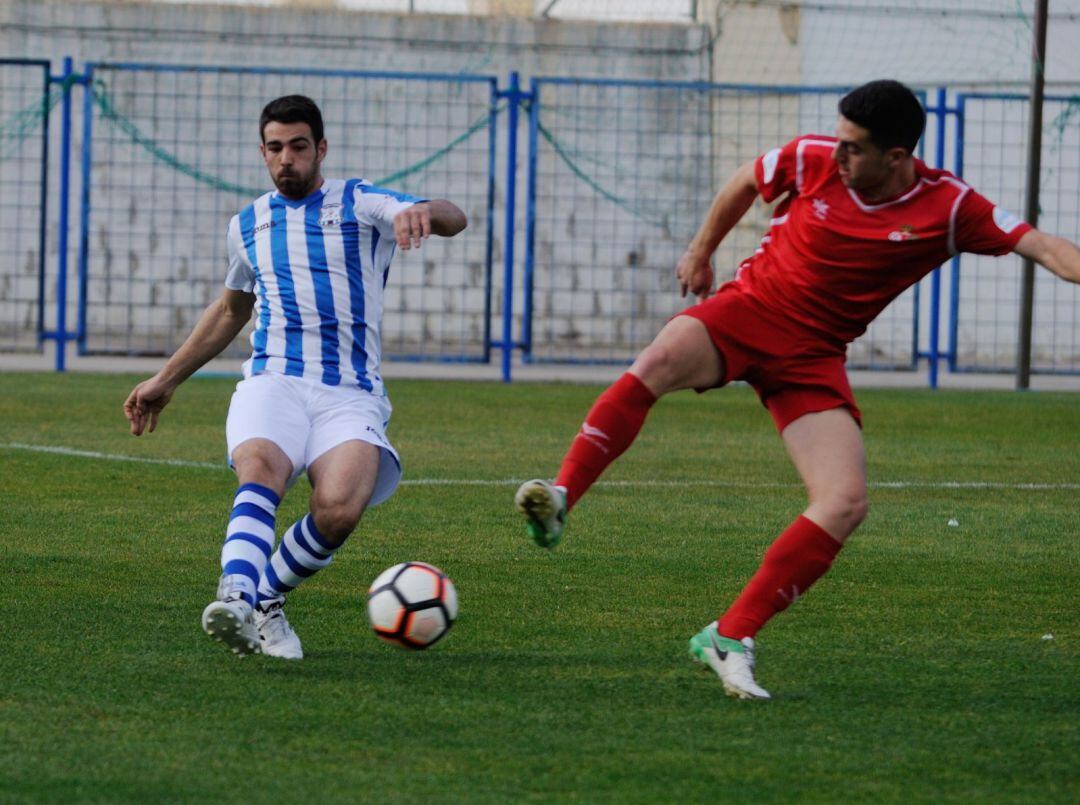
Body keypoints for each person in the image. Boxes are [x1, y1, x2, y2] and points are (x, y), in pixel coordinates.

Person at [515, 79, 1080, 699]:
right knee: (655, 362)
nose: (837, 156)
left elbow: (1044, 246)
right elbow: (742, 180)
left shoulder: (949, 207)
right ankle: (564, 493)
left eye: (854, 149)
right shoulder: (814, 157)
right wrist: (702, 252)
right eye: (838, 141)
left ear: (897, 158)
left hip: (812, 357)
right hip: (748, 310)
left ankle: (729, 637)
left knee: (844, 501)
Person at [124, 95, 467, 660]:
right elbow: (233, 309)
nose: (287, 159)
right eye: (276, 148)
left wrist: (423, 210)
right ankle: (234, 597)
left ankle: (265, 600)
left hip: (349, 391)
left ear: (320, 149)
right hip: (273, 379)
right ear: (263, 153)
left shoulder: (360, 202)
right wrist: (167, 378)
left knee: (339, 508)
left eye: (299, 147)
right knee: (261, 470)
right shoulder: (248, 224)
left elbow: (455, 216)